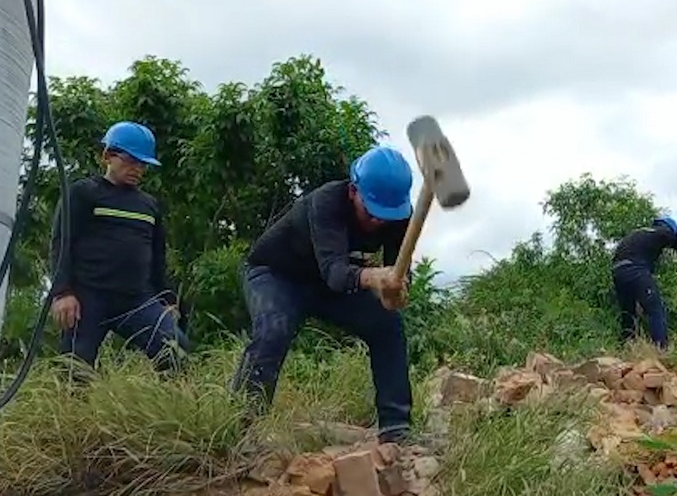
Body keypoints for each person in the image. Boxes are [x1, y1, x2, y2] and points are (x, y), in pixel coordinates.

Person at [230, 145, 414, 444]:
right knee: (274, 329)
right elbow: (335, 273)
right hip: (277, 275)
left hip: (329, 285)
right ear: (354, 191)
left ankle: (396, 429)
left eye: (386, 214)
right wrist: (375, 277)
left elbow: (399, 269)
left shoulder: (398, 214)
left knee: (388, 324)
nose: (378, 221)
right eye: (372, 211)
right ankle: (240, 429)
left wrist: (399, 287)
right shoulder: (326, 202)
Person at [48, 121, 190, 372]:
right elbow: (62, 242)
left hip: (137, 299)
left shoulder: (149, 205)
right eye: (131, 160)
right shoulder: (83, 193)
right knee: (74, 371)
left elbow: (157, 257)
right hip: (88, 297)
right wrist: (62, 292)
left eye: (143, 163)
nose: (138, 168)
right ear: (108, 156)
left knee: (175, 349)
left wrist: (167, 298)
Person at [611, 215, 677, 350]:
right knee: (655, 309)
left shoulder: (638, 233)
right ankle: (661, 348)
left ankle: (626, 347)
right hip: (636, 269)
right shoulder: (662, 232)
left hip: (618, 272)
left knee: (628, 313)